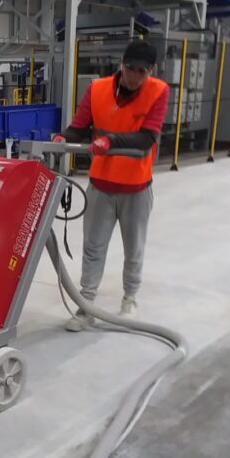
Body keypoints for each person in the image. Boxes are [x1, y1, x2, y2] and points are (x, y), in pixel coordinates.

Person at [58, 39, 169, 331]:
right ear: (122, 64)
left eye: (141, 71)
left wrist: (110, 141)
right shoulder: (97, 89)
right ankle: (86, 306)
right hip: (101, 186)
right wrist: (62, 138)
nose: (134, 76)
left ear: (151, 71)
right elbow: (79, 127)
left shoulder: (158, 91)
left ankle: (130, 298)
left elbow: (147, 137)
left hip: (136, 188)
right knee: (93, 247)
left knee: (134, 248)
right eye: (130, 68)